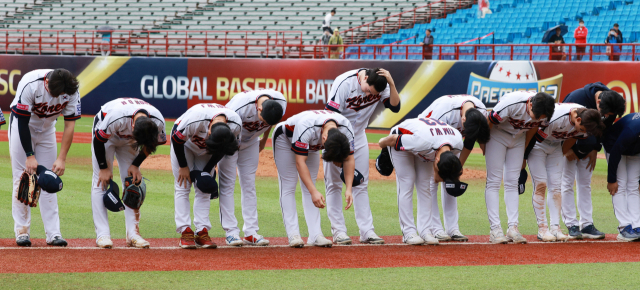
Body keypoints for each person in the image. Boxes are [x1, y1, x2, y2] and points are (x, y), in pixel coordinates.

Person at [325, 68, 400, 245]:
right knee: (334, 184)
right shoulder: (344, 83)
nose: (368, 94)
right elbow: (330, 115)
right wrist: (337, 149)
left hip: (358, 135)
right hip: (337, 134)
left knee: (362, 183)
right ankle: (338, 231)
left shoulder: (381, 84)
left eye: (372, 94)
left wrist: (392, 83)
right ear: (364, 78)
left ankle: (367, 231)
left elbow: (395, 107)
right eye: (367, 90)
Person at [8, 68, 80, 247]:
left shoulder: (71, 89)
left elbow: (69, 125)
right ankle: (22, 231)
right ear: (47, 84)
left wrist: (62, 158)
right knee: (23, 178)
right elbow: (22, 122)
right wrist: (29, 155)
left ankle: (54, 234)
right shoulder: (30, 84)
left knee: (49, 179)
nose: (61, 96)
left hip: (48, 130)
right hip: (23, 126)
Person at [272, 110, 355, 248]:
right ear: (324, 138)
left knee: (311, 185)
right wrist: (313, 192)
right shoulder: (307, 127)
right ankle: (293, 234)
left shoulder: (346, 128)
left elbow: (349, 159)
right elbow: (300, 163)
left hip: (311, 145)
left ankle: (315, 235)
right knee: (289, 184)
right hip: (285, 139)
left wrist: (349, 189)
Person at [91, 98, 166, 249]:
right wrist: (103, 168)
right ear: (132, 126)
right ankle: (103, 235)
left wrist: (136, 165)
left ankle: (133, 235)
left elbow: (153, 143)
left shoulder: (158, 121)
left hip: (128, 141)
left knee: (133, 181)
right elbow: (98, 141)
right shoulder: (116, 117)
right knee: (101, 181)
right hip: (106, 137)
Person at [378, 117, 466, 246]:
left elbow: (452, 167)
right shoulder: (422, 143)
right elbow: (392, 139)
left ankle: (426, 231)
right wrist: (382, 145)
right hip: (403, 136)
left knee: (425, 185)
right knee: (407, 181)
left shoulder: (457, 144)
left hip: (428, 144)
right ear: (436, 161)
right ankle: (408, 232)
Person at [524, 103, 604, 242]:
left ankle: (555, 228)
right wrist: (523, 157)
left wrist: (559, 157)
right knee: (541, 184)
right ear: (577, 120)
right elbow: (534, 135)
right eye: (583, 129)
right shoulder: (556, 117)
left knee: (556, 187)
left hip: (556, 146)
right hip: (538, 144)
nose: (584, 132)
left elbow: (573, 136)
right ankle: (542, 229)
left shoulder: (585, 122)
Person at [484, 91, 555, 244]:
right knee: (494, 181)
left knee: (512, 182)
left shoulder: (545, 112)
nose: (534, 118)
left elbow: (533, 129)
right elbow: (489, 121)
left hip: (519, 138)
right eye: (534, 114)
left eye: (539, 117)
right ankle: (495, 229)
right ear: (530, 104)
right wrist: (484, 143)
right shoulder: (512, 103)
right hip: (498, 134)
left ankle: (513, 228)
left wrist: (523, 152)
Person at [218, 89, 286, 246]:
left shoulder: (280, 102)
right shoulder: (239, 107)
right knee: (228, 184)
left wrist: (264, 139)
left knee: (249, 184)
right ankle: (231, 233)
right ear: (259, 108)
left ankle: (251, 232)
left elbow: (270, 121)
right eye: (262, 119)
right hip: (229, 140)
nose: (263, 124)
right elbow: (222, 129)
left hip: (251, 142)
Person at [418, 95, 490, 242]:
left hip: (450, 139)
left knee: (451, 179)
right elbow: (433, 142)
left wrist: (456, 170)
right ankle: (435, 228)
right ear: (462, 119)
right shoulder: (445, 113)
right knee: (433, 181)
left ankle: (452, 229)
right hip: (427, 135)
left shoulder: (480, 111)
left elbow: (469, 141)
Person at [171, 103, 241, 249]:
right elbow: (177, 139)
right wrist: (183, 166)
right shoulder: (195, 119)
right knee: (183, 185)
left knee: (204, 187)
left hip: (208, 149)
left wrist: (207, 171)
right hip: (184, 144)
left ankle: (202, 230)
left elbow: (223, 148)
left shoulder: (235, 124)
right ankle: (185, 231)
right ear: (208, 132)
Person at [561, 82, 625, 239]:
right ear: (598, 103)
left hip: (588, 147)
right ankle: (571, 224)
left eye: (612, 115)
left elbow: (603, 129)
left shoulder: (611, 103)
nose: (609, 117)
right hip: (568, 144)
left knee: (585, 183)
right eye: (607, 114)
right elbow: (562, 123)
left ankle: (587, 225)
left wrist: (595, 149)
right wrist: (566, 148)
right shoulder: (577, 98)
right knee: (567, 182)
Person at [602, 113, 640, 242]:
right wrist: (611, 179)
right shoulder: (632, 129)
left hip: (635, 150)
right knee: (620, 185)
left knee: (634, 186)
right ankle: (624, 228)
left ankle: (637, 226)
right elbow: (616, 151)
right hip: (614, 145)